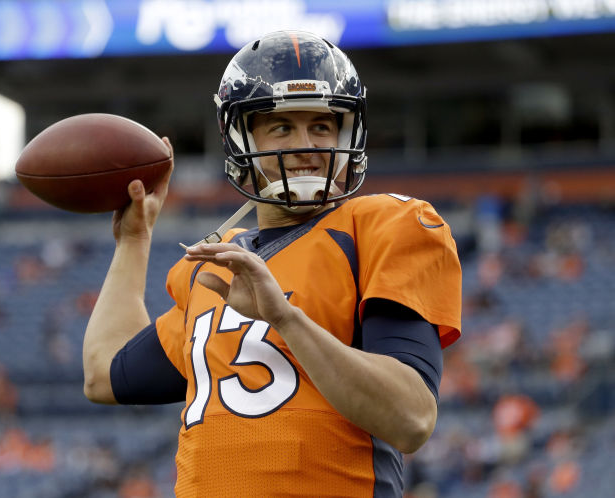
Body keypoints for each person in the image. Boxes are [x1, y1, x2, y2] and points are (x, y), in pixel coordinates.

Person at [83, 30, 462, 497]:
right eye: (282, 127)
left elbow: (411, 418)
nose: (305, 144)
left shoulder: (383, 226)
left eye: (322, 126)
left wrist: (284, 317)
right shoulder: (216, 265)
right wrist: (134, 240)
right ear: (242, 139)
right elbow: (103, 373)